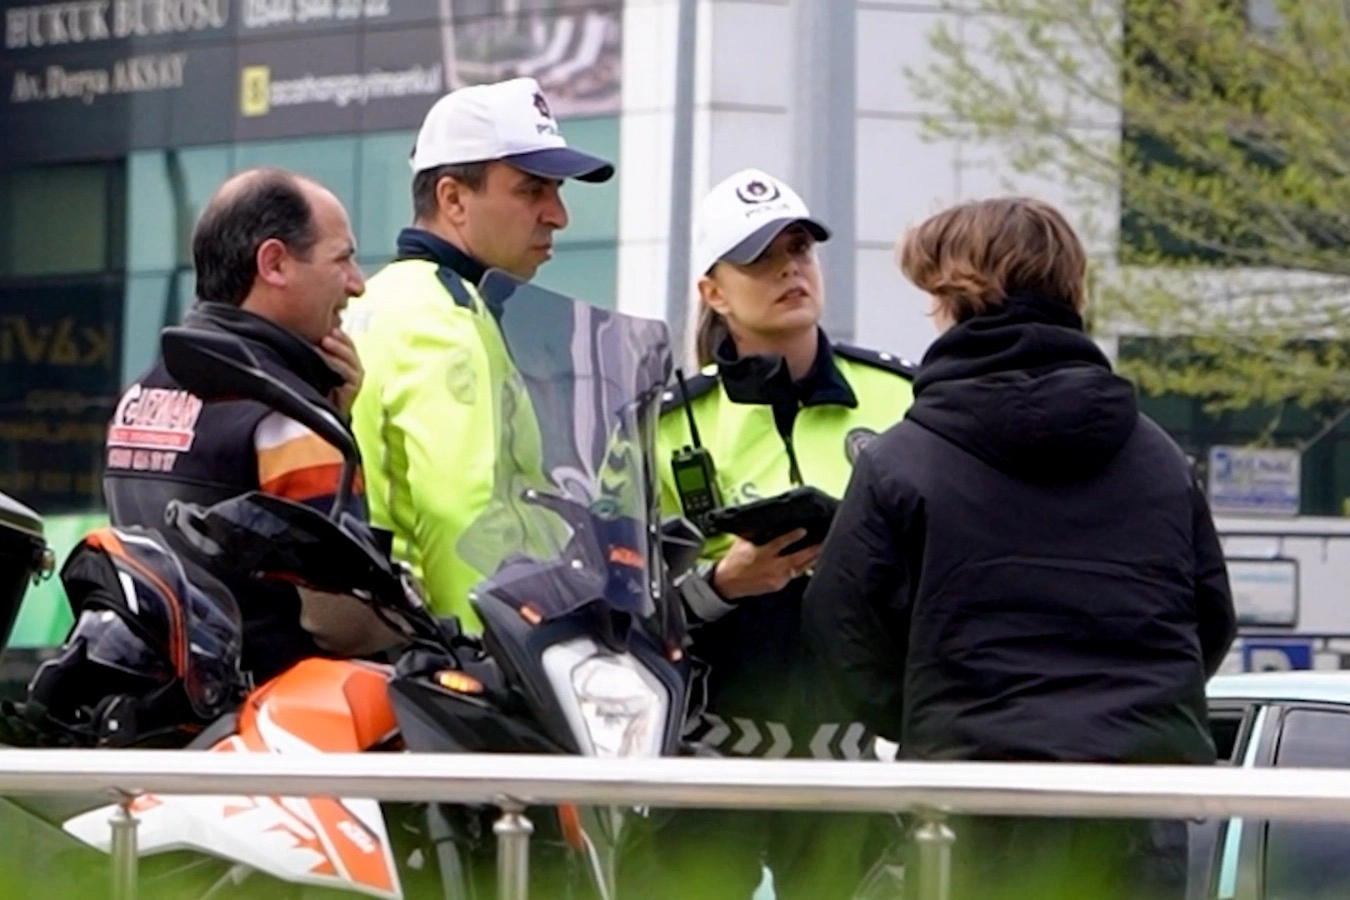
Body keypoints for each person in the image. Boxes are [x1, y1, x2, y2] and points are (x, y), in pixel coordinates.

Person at [802, 196, 1238, 900]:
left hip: (974, 806)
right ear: (1072, 290)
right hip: (1132, 810)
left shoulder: (904, 460)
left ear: (952, 299)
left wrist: (933, 716)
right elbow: (1210, 619)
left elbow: (839, 624)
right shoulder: (1158, 458)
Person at [640, 168, 917, 899]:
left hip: (857, 757)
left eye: (800, 249)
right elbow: (622, 604)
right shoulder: (665, 423)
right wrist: (720, 585)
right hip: (707, 759)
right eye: (761, 257)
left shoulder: (902, 398)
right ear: (714, 292)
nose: (790, 269)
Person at [104, 167, 400, 686]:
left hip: (158, 715)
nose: (357, 284)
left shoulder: (141, 394)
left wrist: (336, 410)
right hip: (267, 733)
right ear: (275, 263)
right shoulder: (292, 423)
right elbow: (343, 621)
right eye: (343, 258)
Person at [343, 75, 614, 631]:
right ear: (453, 198)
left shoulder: (382, 296)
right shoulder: (445, 318)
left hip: (381, 633)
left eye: (556, 191)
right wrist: (499, 657)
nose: (558, 214)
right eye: (531, 190)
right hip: (439, 652)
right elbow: (463, 516)